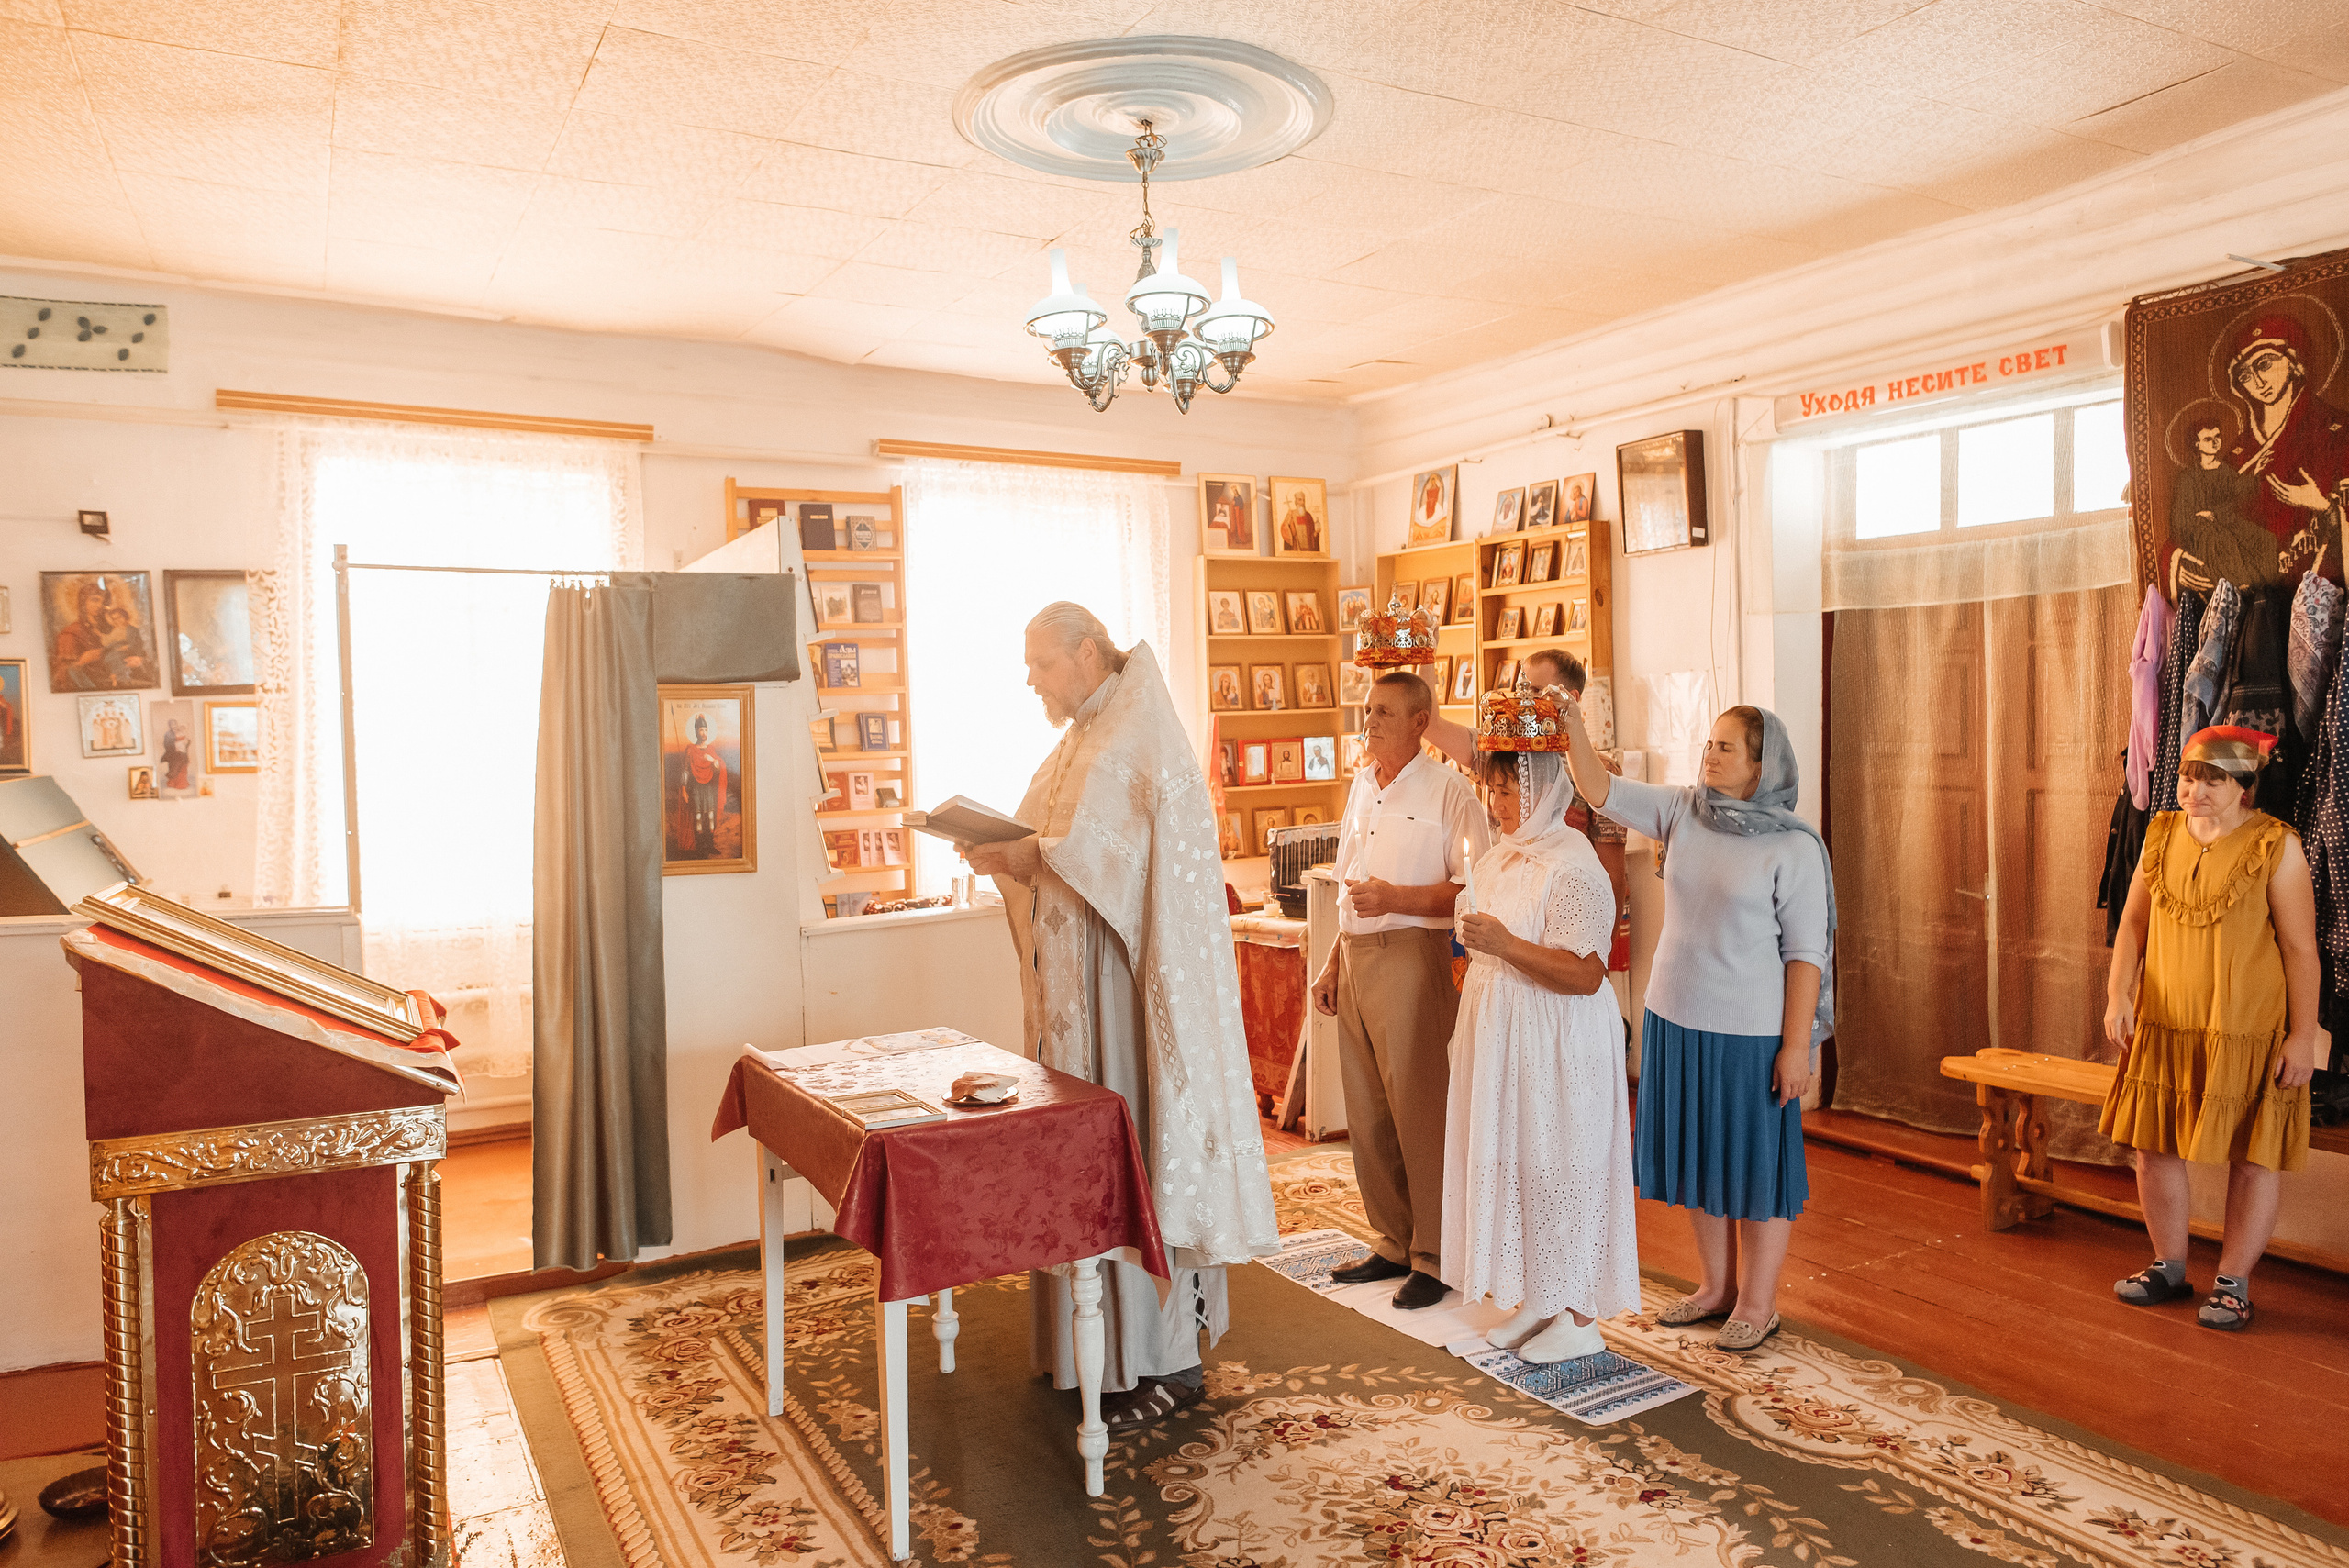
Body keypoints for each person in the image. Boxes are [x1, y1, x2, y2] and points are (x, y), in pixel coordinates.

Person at [967, 603, 1276, 1426]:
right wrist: (1005, 851)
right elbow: (1050, 838)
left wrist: (1030, 852)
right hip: (1079, 996)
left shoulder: (1138, 727)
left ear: (1087, 650)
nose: (1030, 677)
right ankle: (1086, 1351)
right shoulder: (1081, 735)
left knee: (1139, 1147)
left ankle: (1164, 1361)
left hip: (1129, 996)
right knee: (1081, 1158)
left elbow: (1111, 853)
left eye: (1041, 661)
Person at [1560, 698, 1832, 1352]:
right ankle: (1715, 1288)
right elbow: (1596, 786)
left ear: (1762, 766)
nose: (1710, 754)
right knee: (1702, 1159)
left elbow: (1806, 957)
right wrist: (1569, 722)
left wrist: (1796, 1048)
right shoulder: (1682, 808)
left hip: (1751, 1035)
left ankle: (1758, 1302)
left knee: (1754, 1167)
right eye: (1709, 743)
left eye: (1727, 747)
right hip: (1675, 1019)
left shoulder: (1792, 847)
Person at [2099, 726, 2316, 1330]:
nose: (2193, 788)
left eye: (2211, 778)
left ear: (2246, 786)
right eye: (2189, 775)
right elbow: (2133, 926)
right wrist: (2119, 992)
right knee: (2153, 1147)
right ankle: (2168, 1265)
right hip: (2166, 1023)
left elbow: (2301, 950)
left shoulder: (2277, 846)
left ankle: (2232, 1284)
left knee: (2252, 1157)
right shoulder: (2161, 833)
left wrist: (2303, 1034)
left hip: (2245, 1028)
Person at [1442, 747, 1638, 1362]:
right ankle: (1541, 1292)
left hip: (1560, 1041)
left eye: (1509, 791)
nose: (1498, 805)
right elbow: (1484, 948)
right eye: (1492, 790)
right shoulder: (1499, 860)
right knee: (1524, 1161)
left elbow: (1585, 973)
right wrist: (1471, 954)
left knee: (1565, 1164)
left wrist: (1504, 943)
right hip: (1511, 1036)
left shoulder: (1573, 865)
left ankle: (1580, 1313)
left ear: (1546, 790)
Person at [1309, 671, 1490, 1308]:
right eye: (1368, 708)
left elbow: (1470, 887)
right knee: (1368, 1110)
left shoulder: (1450, 792)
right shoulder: (1362, 783)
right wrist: (1333, 961)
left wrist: (1397, 899)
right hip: (1357, 953)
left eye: (1384, 711)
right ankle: (1392, 1239)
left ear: (1421, 720)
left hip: (1415, 955)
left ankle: (1436, 1254)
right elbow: (1349, 881)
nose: (1370, 719)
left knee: (1420, 1112)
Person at [1429, 650, 1628, 953]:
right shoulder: (1499, 754)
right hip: (1502, 915)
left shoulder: (1600, 774)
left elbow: (1611, 876)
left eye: (1535, 691)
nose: (1521, 701)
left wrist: (1599, 955)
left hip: (1561, 925)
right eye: (1518, 689)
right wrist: (1428, 651)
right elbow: (1431, 725)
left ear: (1571, 698)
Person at [680, 714, 725, 856]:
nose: (703, 733)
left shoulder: (710, 749)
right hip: (696, 788)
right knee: (698, 817)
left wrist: (712, 760)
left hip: (709, 787)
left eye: (705, 730)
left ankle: (709, 845)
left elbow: (720, 767)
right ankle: (700, 847)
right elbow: (685, 771)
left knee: (710, 816)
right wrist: (683, 790)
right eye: (701, 730)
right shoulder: (690, 750)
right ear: (696, 732)